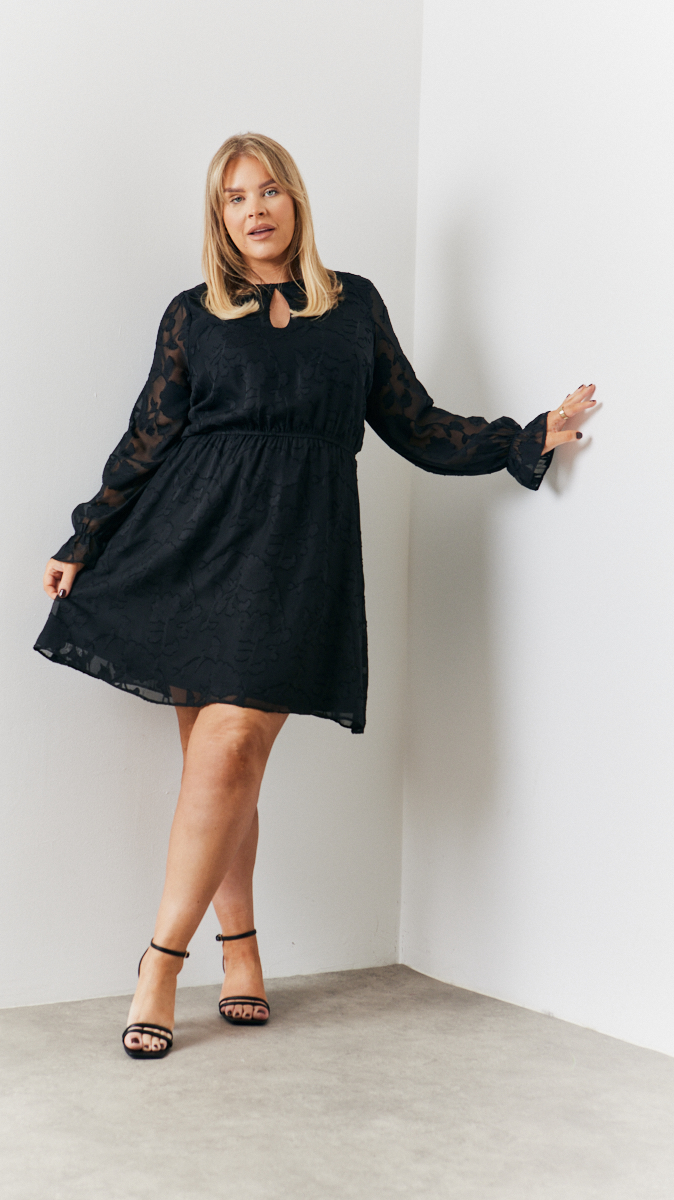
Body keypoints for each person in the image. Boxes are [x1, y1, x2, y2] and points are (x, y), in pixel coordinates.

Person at [34, 132, 597, 1059]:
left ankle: (159, 962)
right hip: (193, 545)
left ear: (295, 199)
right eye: (234, 198)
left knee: (230, 750)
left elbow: (416, 424)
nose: (254, 209)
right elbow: (148, 436)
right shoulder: (193, 314)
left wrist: (524, 436)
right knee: (223, 769)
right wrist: (86, 535)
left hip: (297, 556)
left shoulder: (354, 305)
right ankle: (242, 951)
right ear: (219, 217)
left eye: (268, 191)